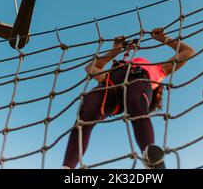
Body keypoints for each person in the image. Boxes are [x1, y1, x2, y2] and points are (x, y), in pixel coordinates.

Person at [62, 28, 195, 169]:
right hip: (112, 90)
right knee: (87, 109)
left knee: (135, 101)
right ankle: (67, 167)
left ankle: (152, 159)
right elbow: (90, 68)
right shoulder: (109, 74)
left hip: (137, 85)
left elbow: (187, 52)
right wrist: (116, 50)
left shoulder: (158, 70)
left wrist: (164, 39)